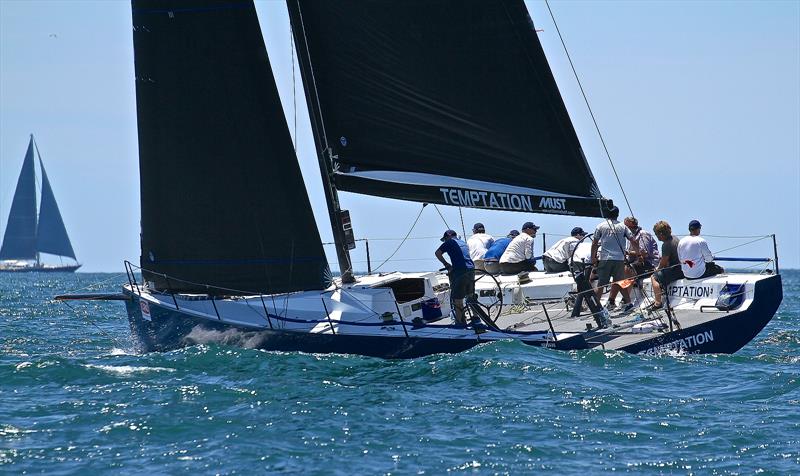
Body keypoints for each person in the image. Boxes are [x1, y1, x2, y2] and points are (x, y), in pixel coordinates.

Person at [590, 206, 639, 312]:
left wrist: (593, 257)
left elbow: (594, 243)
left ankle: (597, 308)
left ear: (606, 214)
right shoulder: (623, 227)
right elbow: (633, 240)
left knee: (601, 283)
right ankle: (629, 303)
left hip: (605, 259)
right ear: (617, 215)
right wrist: (638, 253)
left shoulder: (600, 226)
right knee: (620, 282)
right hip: (619, 259)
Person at [435, 229, 475, 325]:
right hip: (471, 270)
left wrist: (447, 265)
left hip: (460, 271)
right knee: (471, 296)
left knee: (458, 300)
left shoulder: (449, 242)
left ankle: (459, 322)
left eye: (444, 239)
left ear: (448, 236)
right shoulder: (463, 242)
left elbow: (437, 253)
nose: (444, 241)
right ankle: (476, 318)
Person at [648, 220, 684, 311]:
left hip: (676, 270)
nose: (656, 236)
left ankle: (658, 303)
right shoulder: (675, 238)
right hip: (682, 268)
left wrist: (656, 270)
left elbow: (663, 263)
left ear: (661, 234)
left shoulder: (666, 245)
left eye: (656, 234)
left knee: (654, 277)